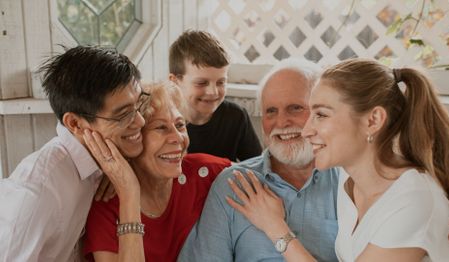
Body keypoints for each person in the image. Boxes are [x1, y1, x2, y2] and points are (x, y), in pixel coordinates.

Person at [226, 58, 449, 261]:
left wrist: (275, 228)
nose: (306, 130)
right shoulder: (351, 181)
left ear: (373, 120)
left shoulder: (412, 200)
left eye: (322, 115)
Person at [178, 59, 341, 261]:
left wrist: (276, 228)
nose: (281, 122)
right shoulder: (232, 185)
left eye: (295, 108)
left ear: (322, 112)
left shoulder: (348, 183)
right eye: (271, 111)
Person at [0, 45, 146, 261]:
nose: (140, 121)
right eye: (123, 114)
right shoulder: (38, 193)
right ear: (75, 124)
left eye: (139, 104)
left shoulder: (102, 159)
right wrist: (129, 190)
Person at [82, 82, 232, 261]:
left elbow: (263, 172)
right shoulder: (106, 205)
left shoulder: (206, 173)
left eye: (180, 125)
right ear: (133, 138)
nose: (178, 138)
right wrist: (130, 195)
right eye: (161, 127)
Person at [169, 30, 262, 161]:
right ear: (175, 81)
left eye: (221, 82)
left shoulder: (236, 117)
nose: (213, 92)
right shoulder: (163, 121)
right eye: (201, 83)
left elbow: (257, 167)